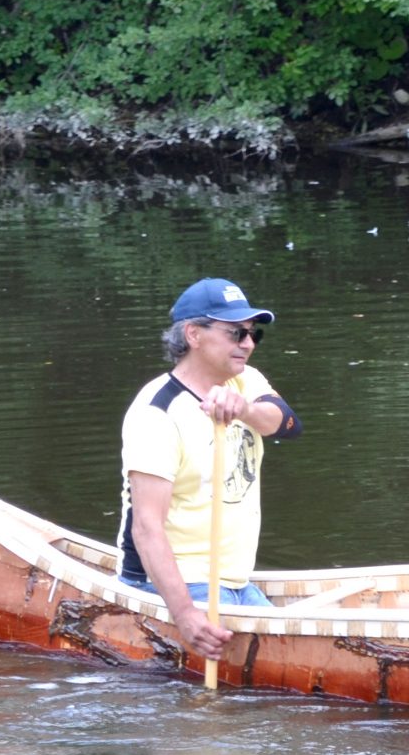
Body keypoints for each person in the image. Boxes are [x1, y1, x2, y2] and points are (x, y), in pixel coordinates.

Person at [118, 277, 300, 660]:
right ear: (194, 334)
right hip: (178, 584)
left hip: (234, 580)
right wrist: (184, 614)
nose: (248, 344)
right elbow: (147, 526)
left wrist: (245, 409)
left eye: (253, 334)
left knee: (288, 657)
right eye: (236, 333)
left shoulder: (244, 380)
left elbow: (288, 425)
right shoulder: (157, 412)